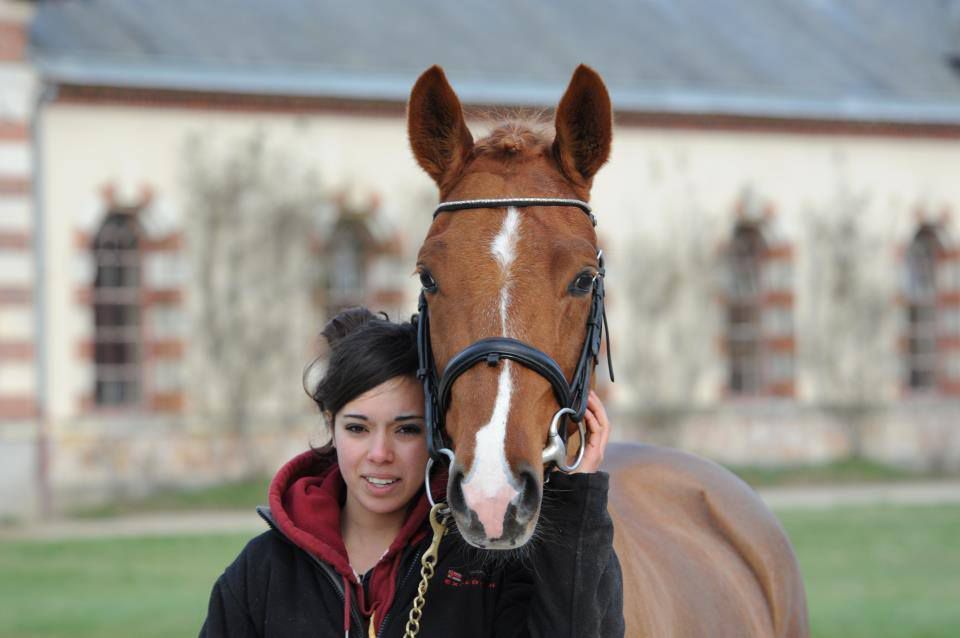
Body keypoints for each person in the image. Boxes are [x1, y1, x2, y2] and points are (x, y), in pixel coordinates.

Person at [200, 308, 624, 637]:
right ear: (331, 425)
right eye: (357, 428)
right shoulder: (263, 571)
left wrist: (575, 501)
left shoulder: (488, 566)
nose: (380, 454)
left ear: (437, 433)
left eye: (406, 429)